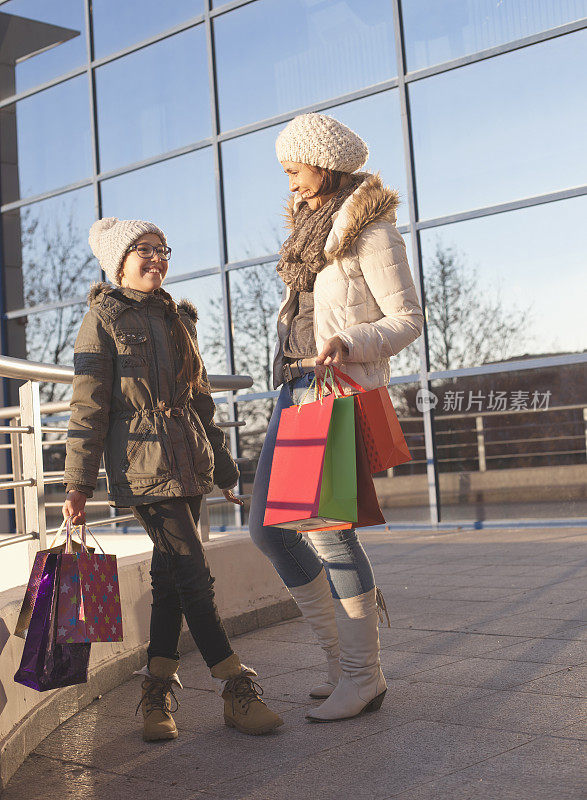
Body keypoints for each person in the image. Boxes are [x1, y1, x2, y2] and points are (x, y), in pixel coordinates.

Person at [62, 217, 283, 740]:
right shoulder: (102, 318)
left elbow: (201, 403)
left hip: (189, 464)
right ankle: (234, 686)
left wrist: (225, 469)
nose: (157, 258)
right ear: (119, 261)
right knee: (193, 575)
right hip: (141, 469)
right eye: (145, 249)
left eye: (163, 249)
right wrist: (77, 483)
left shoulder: (180, 317)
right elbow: (88, 405)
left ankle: (156, 692)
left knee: (169, 585)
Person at [248, 113, 424, 721]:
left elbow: (407, 320)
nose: (290, 183)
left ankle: (362, 674)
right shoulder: (307, 237)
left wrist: (349, 341)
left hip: (329, 388)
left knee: (327, 531)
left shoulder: (370, 233)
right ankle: (337, 662)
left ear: (323, 164)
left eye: (294, 170)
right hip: (291, 389)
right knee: (268, 530)